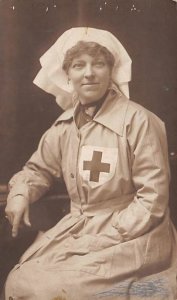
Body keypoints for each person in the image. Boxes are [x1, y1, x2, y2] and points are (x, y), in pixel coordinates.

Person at [4, 27, 177, 300]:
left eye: (98, 64)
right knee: (20, 279)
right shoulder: (63, 126)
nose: (89, 73)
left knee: (52, 290)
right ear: (67, 75)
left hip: (132, 234)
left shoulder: (139, 122)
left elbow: (152, 201)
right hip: (79, 227)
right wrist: (20, 192)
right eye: (78, 65)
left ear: (111, 71)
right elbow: (39, 169)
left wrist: (104, 236)